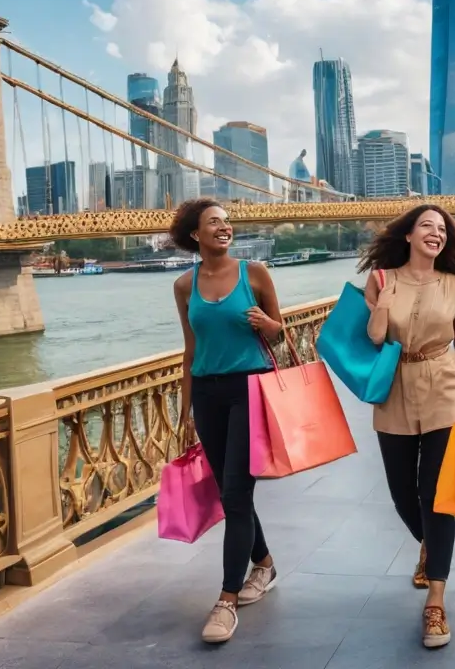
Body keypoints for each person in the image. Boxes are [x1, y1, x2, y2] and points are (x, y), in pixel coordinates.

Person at [360, 205, 455, 649]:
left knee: (435, 497)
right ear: (408, 235)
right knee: (403, 494)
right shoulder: (382, 279)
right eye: (427, 226)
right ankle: (431, 545)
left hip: (445, 387)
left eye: (442, 229)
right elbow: (376, 338)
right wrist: (381, 301)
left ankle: (436, 600)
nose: (435, 234)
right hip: (395, 387)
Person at [171, 199, 285, 644]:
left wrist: (268, 323)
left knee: (237, 493)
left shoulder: (254, 273)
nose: (224, 227)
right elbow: (189, 350)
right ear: (195, 235)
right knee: (229, 491)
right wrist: (186, 409)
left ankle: (226, 600)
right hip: (207, 392)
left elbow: (282, 329)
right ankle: (265, 564)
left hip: (249, 390)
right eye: (213, 222)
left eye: (227, 221)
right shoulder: (184, 285)